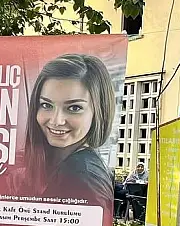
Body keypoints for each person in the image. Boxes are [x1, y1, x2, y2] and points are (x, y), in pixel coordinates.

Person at [14, 53, 115, 208]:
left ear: (99, 111)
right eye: (47, 105)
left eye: (74, 108)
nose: (56, 121)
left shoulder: (82, 175)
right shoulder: (57, 163)